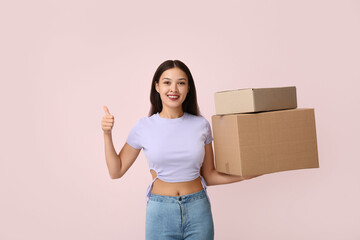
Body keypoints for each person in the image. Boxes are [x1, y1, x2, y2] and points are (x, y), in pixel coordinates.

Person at [101, 59, 261, 240]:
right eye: (167, 82)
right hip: (160, 211)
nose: (174, 89)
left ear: (188, 88)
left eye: (181, 83)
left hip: (197, 209)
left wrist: (243, 176)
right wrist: (107, 134)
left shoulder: (201, 125)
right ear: (157, 87)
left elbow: (209, 175)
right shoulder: (144, 126)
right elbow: (116, 171)